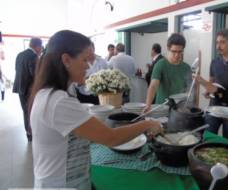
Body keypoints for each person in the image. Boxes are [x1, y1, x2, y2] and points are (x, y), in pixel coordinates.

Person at [28, 30, 162, 189]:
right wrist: (147, 124)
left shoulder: (51, 93)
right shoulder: (58, 102)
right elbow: (111, 138)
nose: (88, 66)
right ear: (66, 60)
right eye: (85, 60)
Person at [144, 33, 191, 112]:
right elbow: (153, 86)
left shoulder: (186, 68)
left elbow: (189, 90)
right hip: (161, 109)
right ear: (168, 49)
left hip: (179, 110)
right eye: (174, 51)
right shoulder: (160, 65)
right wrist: (148, 105)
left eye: (180, 52)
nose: (177, 55)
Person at [13, 37, 42, 142]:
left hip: (20, 87)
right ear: (38, 46)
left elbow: (17, 70)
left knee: (25, 111)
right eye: (41, 47)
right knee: (31, 111)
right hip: (29, 89)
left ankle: (28, 133)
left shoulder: (20, 55)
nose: (41, 50)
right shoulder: (33, 56)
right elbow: (35, 74)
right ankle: (32, 134)